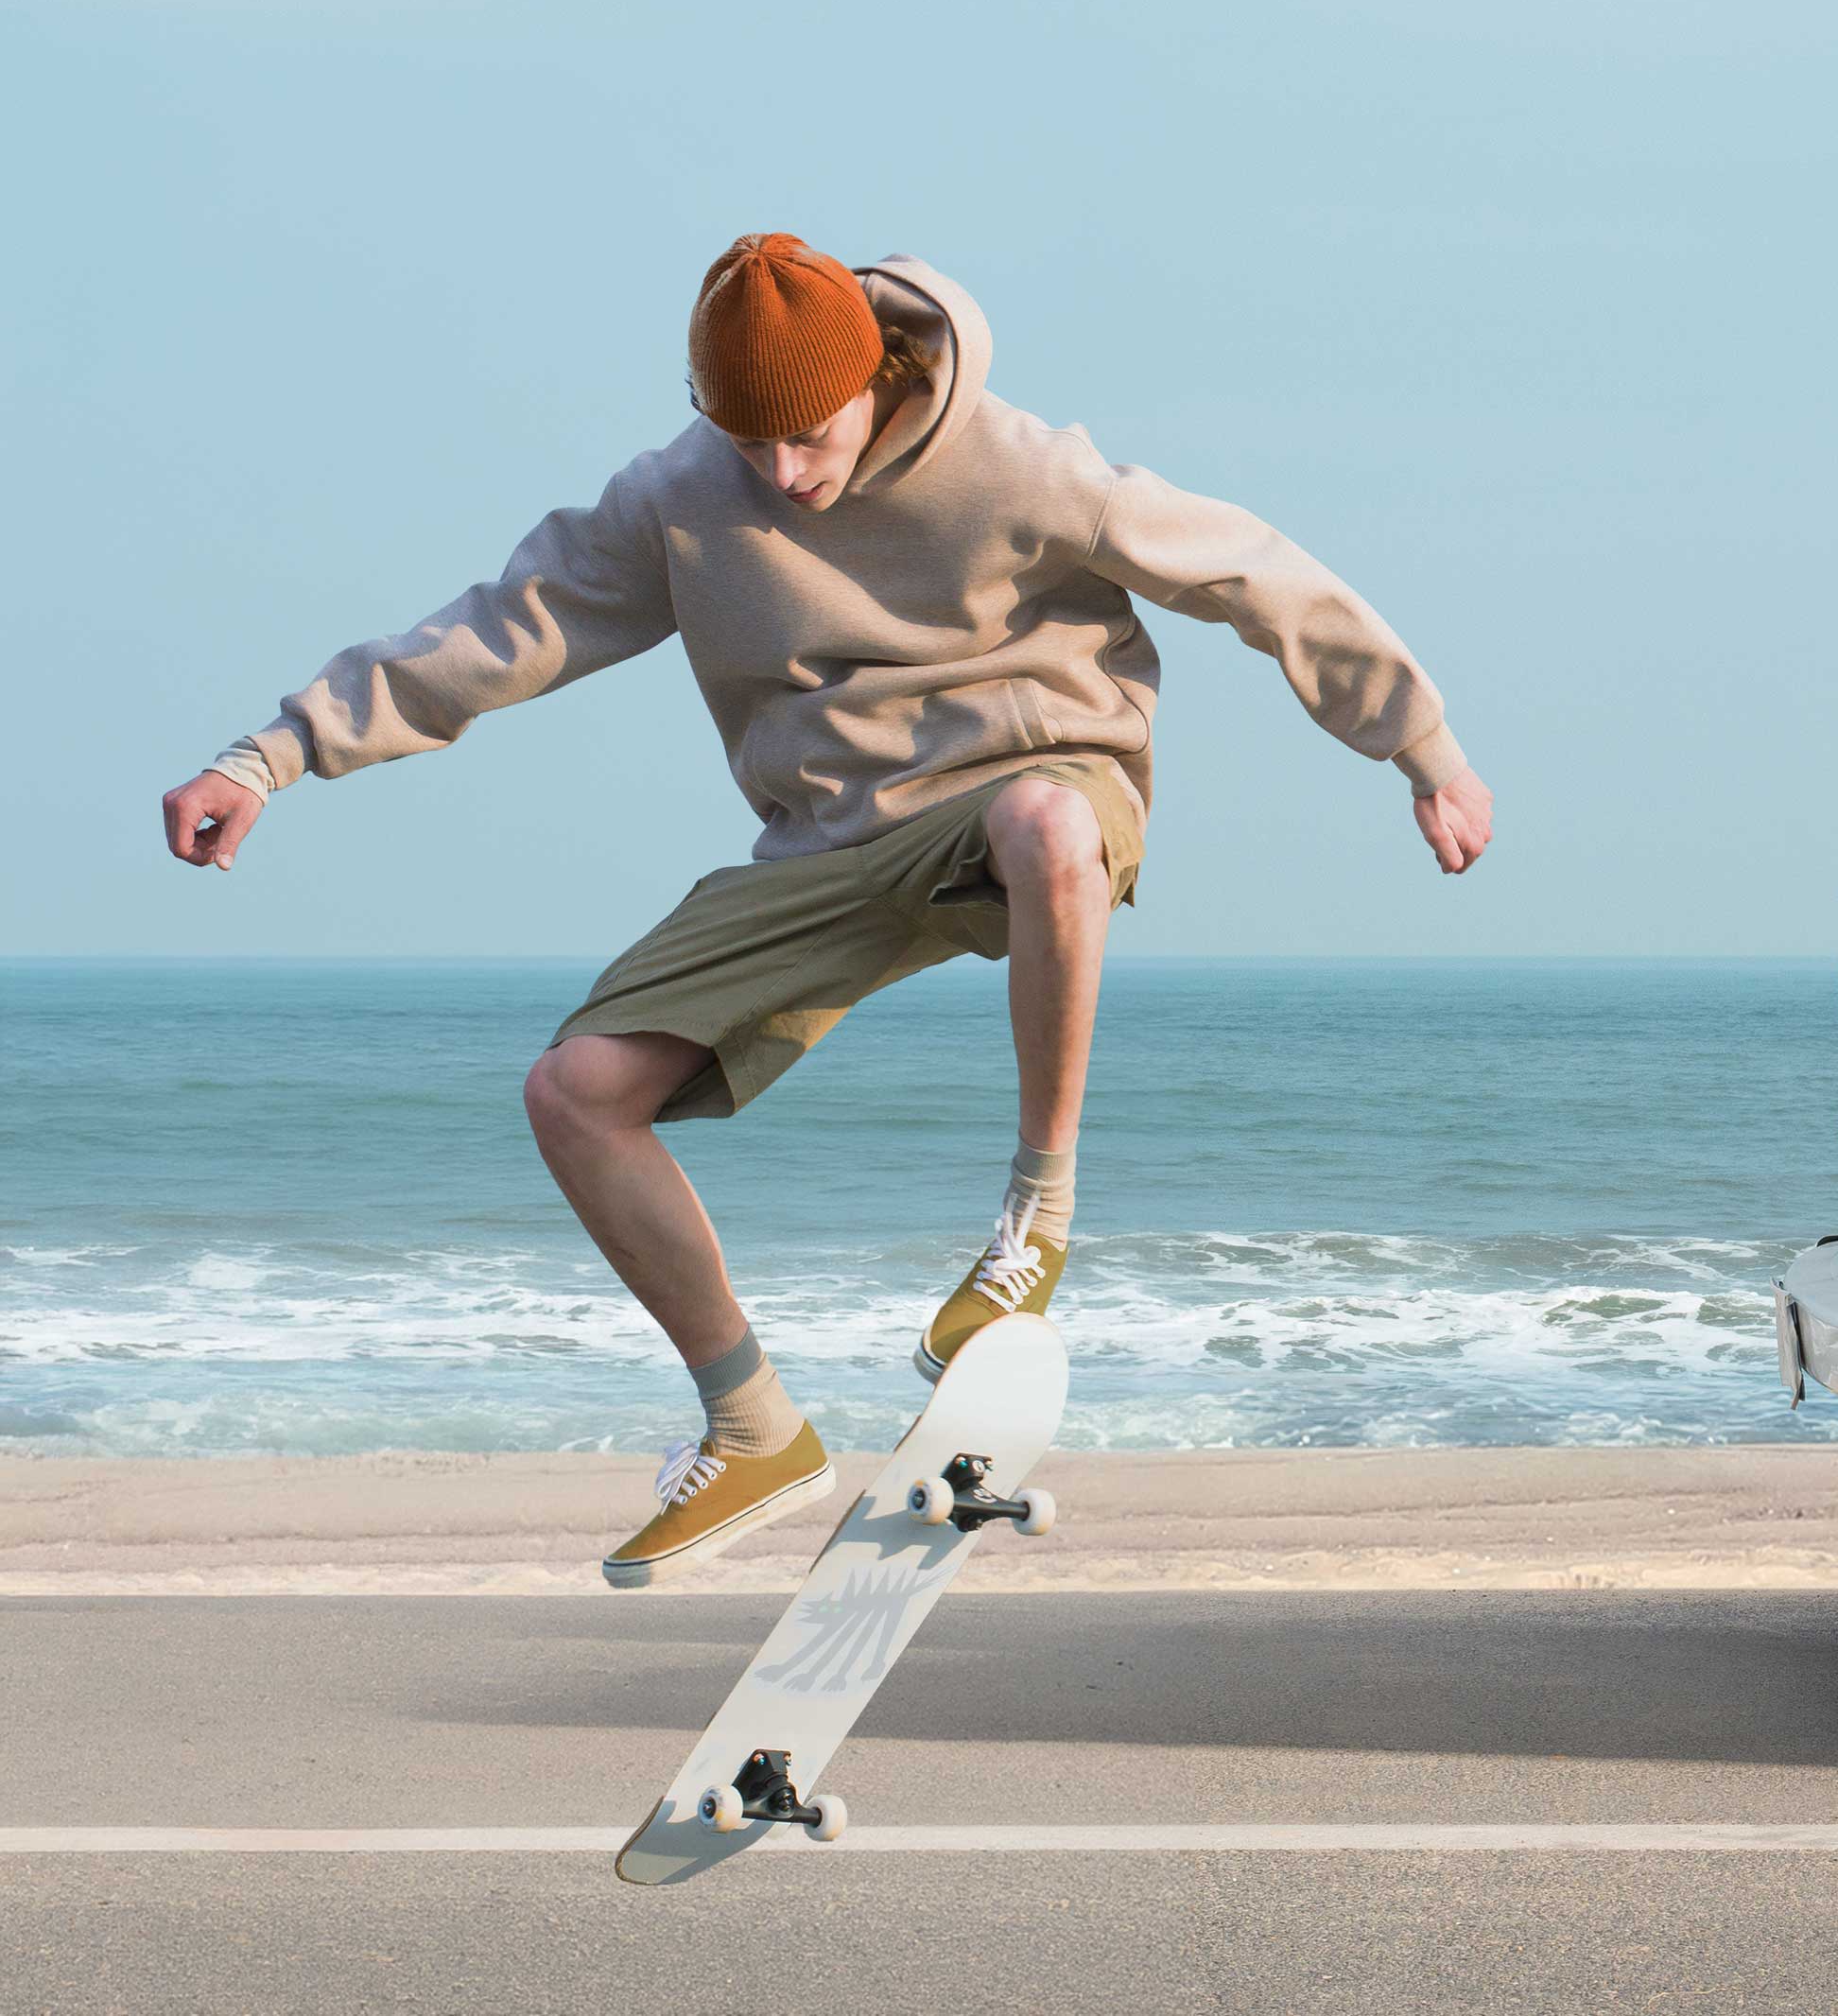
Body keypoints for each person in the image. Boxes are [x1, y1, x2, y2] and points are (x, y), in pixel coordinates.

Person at [159, 233, 1491, 1582]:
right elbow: (504, 628)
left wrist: (1420, 744)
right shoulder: (683, 497)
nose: (785, 475)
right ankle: (750, 1425)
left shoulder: (1024, 465)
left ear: (880, 375)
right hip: (832, 836)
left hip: (1038, 773)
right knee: (576, 1092)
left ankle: (1037, 1214)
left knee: (1044, 821)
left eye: (808, 436)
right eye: (749, 444)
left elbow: (1252, 571)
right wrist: (270, 752)